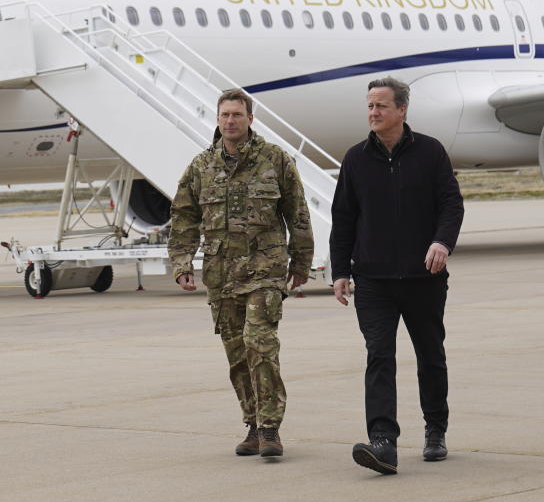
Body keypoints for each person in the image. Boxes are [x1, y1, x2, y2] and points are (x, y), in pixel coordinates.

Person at [330, 76, 464, 475]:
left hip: (424, 277)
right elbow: (344, 218)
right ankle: (383, 442)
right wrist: (340, 271)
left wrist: (442, 242)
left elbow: (451, 205)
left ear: (402, 110)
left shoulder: (430, 152)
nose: (373, 112)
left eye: (381, 106)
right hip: (373, 280)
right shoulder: (355, 158)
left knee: (430, 356)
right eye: (370, 106)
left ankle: (435, 429)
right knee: (379, 357)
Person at [169, 88, 313, 458]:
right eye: (225, 115)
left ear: (250, 119)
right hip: (221, 275)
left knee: (259, 343)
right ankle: (251, 424)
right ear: (217, 120)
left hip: (264, 270)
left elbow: (297, 212)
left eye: (237, 114)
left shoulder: (275, 160)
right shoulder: (201, 167)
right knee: (236, 354)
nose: (230, 121)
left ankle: (270, 428)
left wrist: (301, 262)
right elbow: (184, 218)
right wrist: (182, 264)